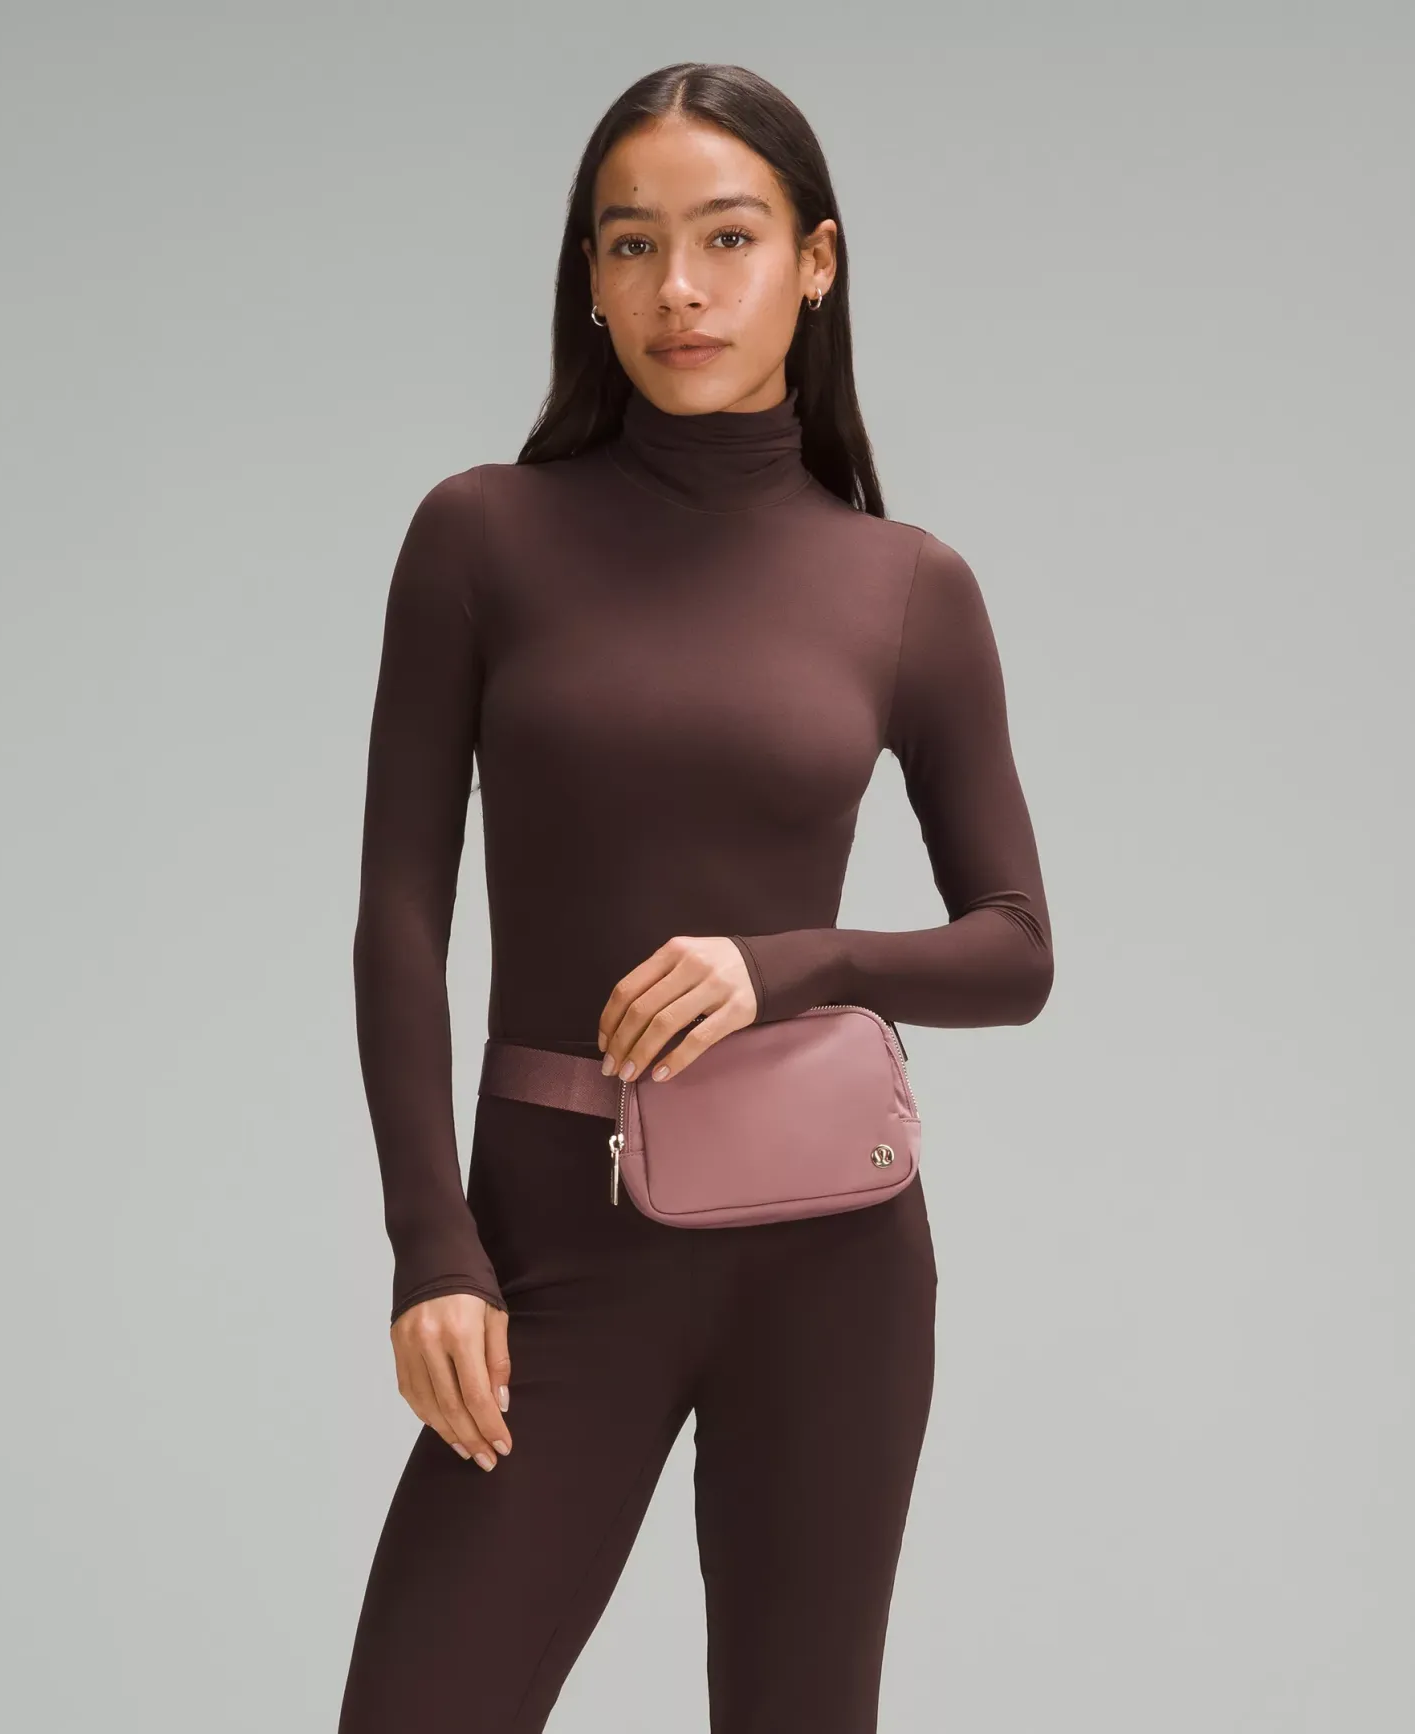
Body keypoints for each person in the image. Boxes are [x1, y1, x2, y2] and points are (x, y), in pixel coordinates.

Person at [337, 60, 1053, 1734]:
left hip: (836, 1260)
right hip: (549, 1238)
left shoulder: (905, 587)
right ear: (587, 278)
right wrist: (430, 1240)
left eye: (729, 237)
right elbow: (398, 913)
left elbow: (1017, 947)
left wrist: (787, 965)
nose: (680, 288)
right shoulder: (482, 538)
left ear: (816, 262)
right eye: (632, 242)